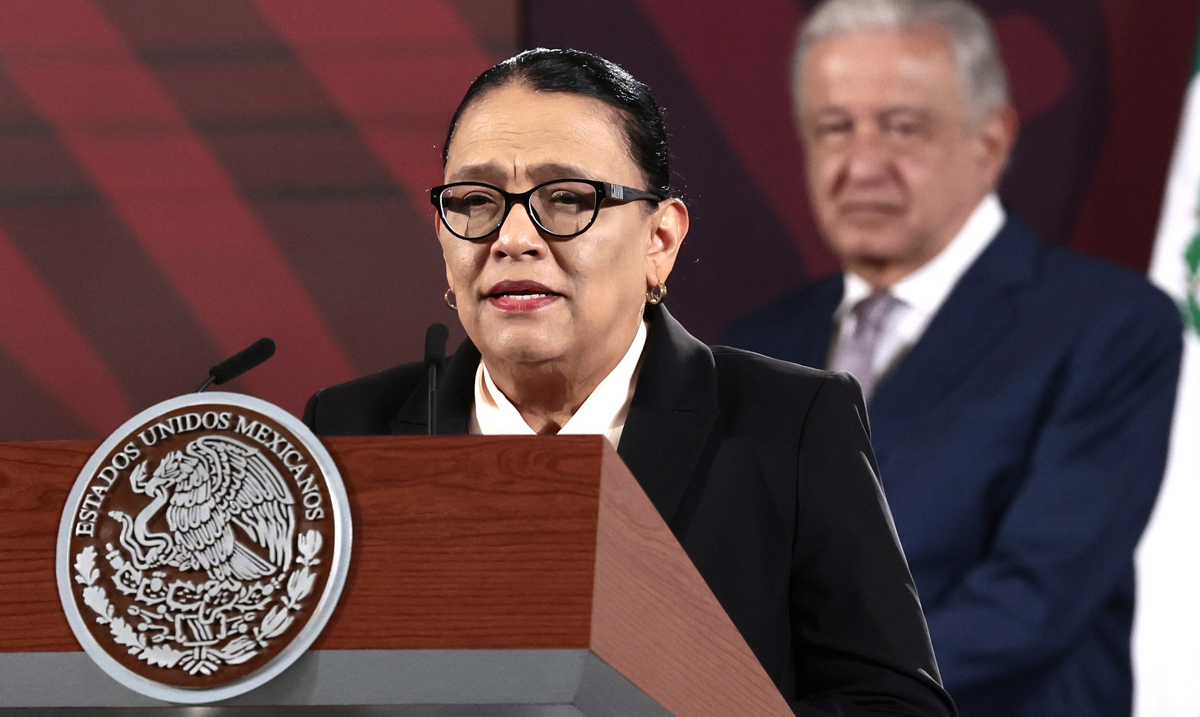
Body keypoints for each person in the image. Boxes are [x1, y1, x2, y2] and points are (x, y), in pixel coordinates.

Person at [305, 48, 954, 715]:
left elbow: (897, 707)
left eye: (566, 200)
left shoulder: (787, 425)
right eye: (475, 201)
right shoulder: (349, 431)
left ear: (659, 239)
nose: (512, 238)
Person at [724, 0, 1183, 717]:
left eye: (902, 127)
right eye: (834, 127)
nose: (863, 163)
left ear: (991, 140)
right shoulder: (752, 348)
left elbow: (1030, 604)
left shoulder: (1110, 326)